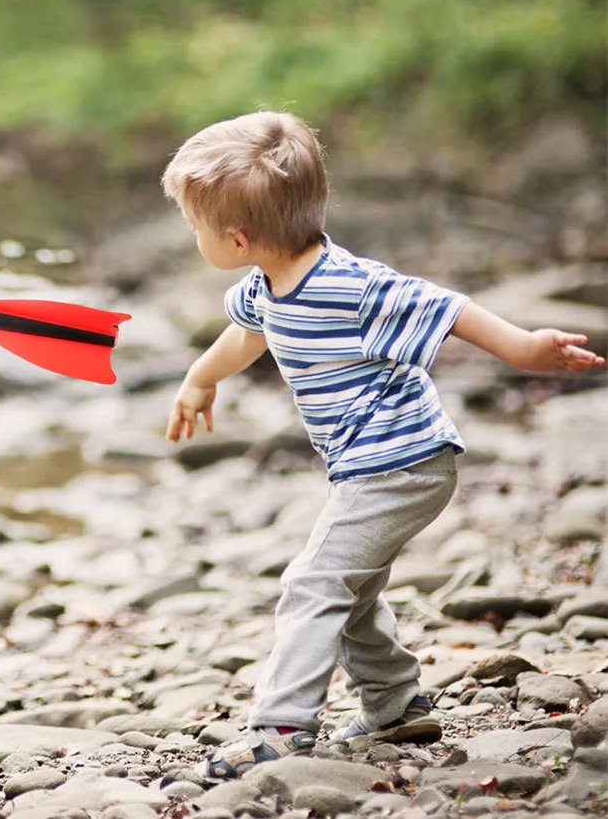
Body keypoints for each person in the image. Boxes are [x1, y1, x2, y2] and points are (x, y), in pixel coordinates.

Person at [160, 110, 605, 780]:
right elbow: (248, 333)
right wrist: (200, 379)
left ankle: (281, 729)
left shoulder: (351, 286)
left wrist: (522, 348)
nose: (192, 236)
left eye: (195, 227)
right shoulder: (266, 284)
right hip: (371, 468)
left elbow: (445, 306)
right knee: (353, 592)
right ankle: (395, 705)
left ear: (239, 238)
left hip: (402, 466)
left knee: (313, 584)